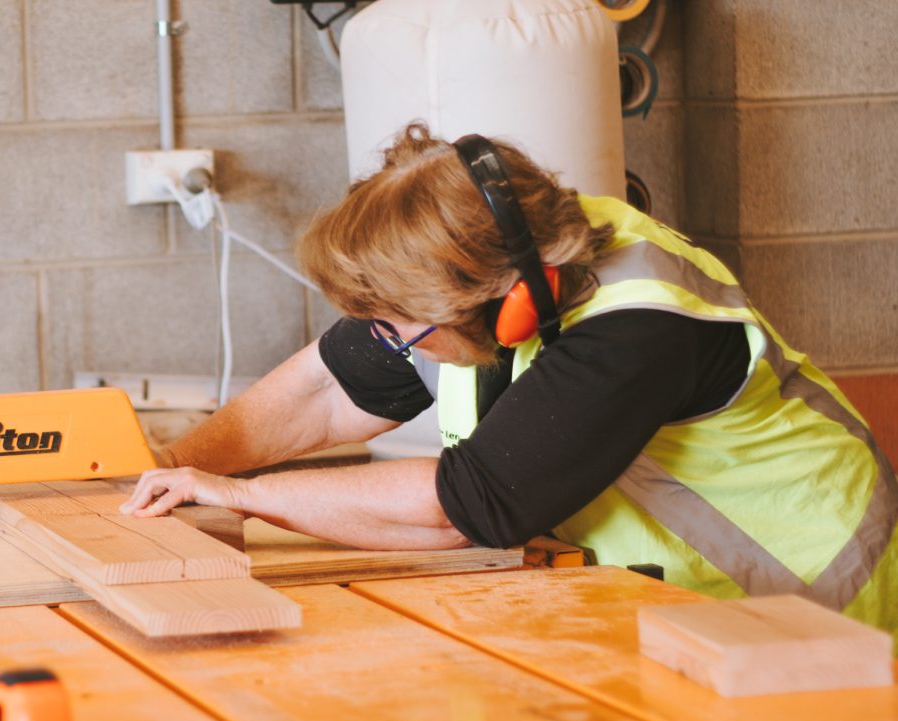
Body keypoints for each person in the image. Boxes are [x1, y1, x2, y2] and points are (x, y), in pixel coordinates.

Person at [119, 122, 897, 636]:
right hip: (677, 608)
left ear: (506, 303)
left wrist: (242, 497)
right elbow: (330, 389)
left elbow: (465, 509)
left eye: (403, 329)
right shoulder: (501, 258)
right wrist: (171, 471)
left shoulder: (638, 329)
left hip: (807, 607)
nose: (392, 345)